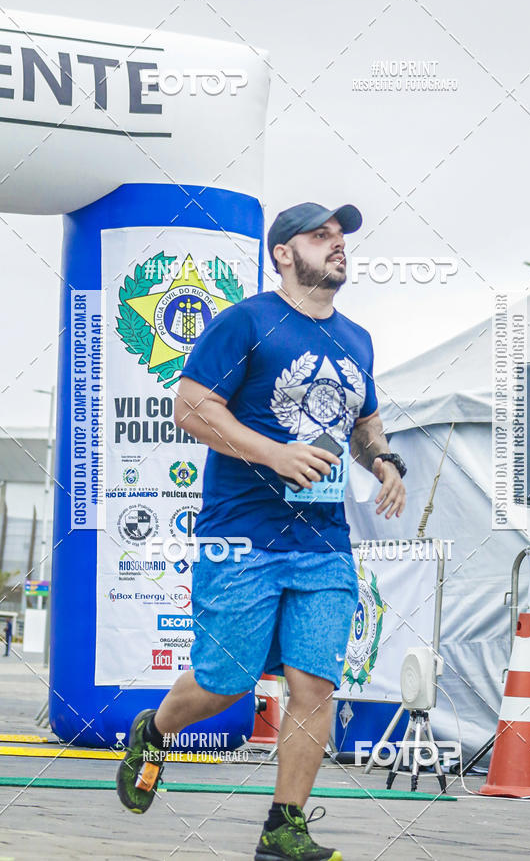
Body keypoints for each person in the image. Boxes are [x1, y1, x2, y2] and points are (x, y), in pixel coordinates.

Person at [116, 201, 407, 861]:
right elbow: (191, 407)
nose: (337, 246)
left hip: (324, 541)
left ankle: (284, 829)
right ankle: (154, 730)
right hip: (244, 535)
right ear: (283, 252)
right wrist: (272, 454)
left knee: (314, 685)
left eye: (341, 238)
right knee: (227, 681)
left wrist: (384, 460)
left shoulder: (357, 338)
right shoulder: (245, 321)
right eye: (320, 236)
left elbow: (365, 423)